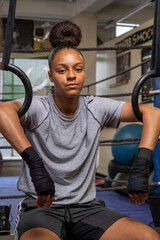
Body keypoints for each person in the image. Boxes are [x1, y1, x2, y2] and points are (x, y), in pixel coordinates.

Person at [0, 21, 160, 240]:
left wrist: (142, 163)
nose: (71, 75)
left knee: (148, 237)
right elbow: (2, 111)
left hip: (87, 208)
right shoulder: (38, 107)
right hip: (41, 208)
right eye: (62, 70)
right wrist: (34, 163)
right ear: (50, 76)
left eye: (78, 69)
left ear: (84, 73)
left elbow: (154, 113)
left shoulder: (96, 107)